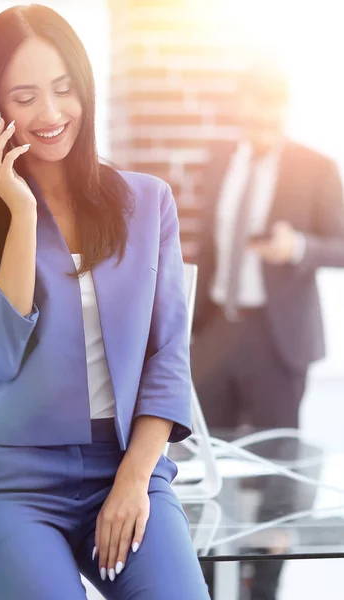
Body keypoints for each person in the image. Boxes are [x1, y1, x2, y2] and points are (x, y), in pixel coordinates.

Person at [0, 5, 210, 599]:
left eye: (63, 90)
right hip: (11, 482)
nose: (52, 114)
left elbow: (167, 354)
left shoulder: (147, 201)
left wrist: (136, 479)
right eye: (24, 96)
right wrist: (21, 212)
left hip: (128, 464)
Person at [192, 63, 344, 599]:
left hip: (277, 337)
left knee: (277, 473)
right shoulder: (215, 163)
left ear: (283, 110)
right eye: (252, 111)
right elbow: (207, 247)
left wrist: (298, 247)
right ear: (240, 107)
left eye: (270, 113)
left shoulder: (315, 167)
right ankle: (205, 584)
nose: (260, 123)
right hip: (215, 332)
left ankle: (264, 591)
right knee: (207, 467)